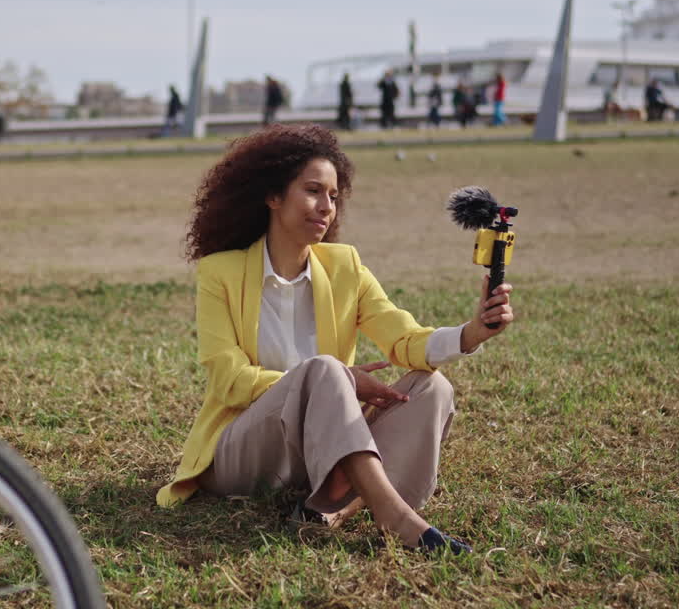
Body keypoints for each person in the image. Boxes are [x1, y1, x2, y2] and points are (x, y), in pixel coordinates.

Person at [156, 123, 515, 555]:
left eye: (333, 195)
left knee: (431, 386)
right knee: (325, 369)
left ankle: (326, 509)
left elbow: (403, 339)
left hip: (322, 452)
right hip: (244, 453)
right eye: (313, 191)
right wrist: (321, 381)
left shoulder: (345, 267)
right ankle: (395, 518)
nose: (326, 206)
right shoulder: (221, 273)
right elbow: (227, 379)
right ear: (273, 196)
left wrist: (472, 333)